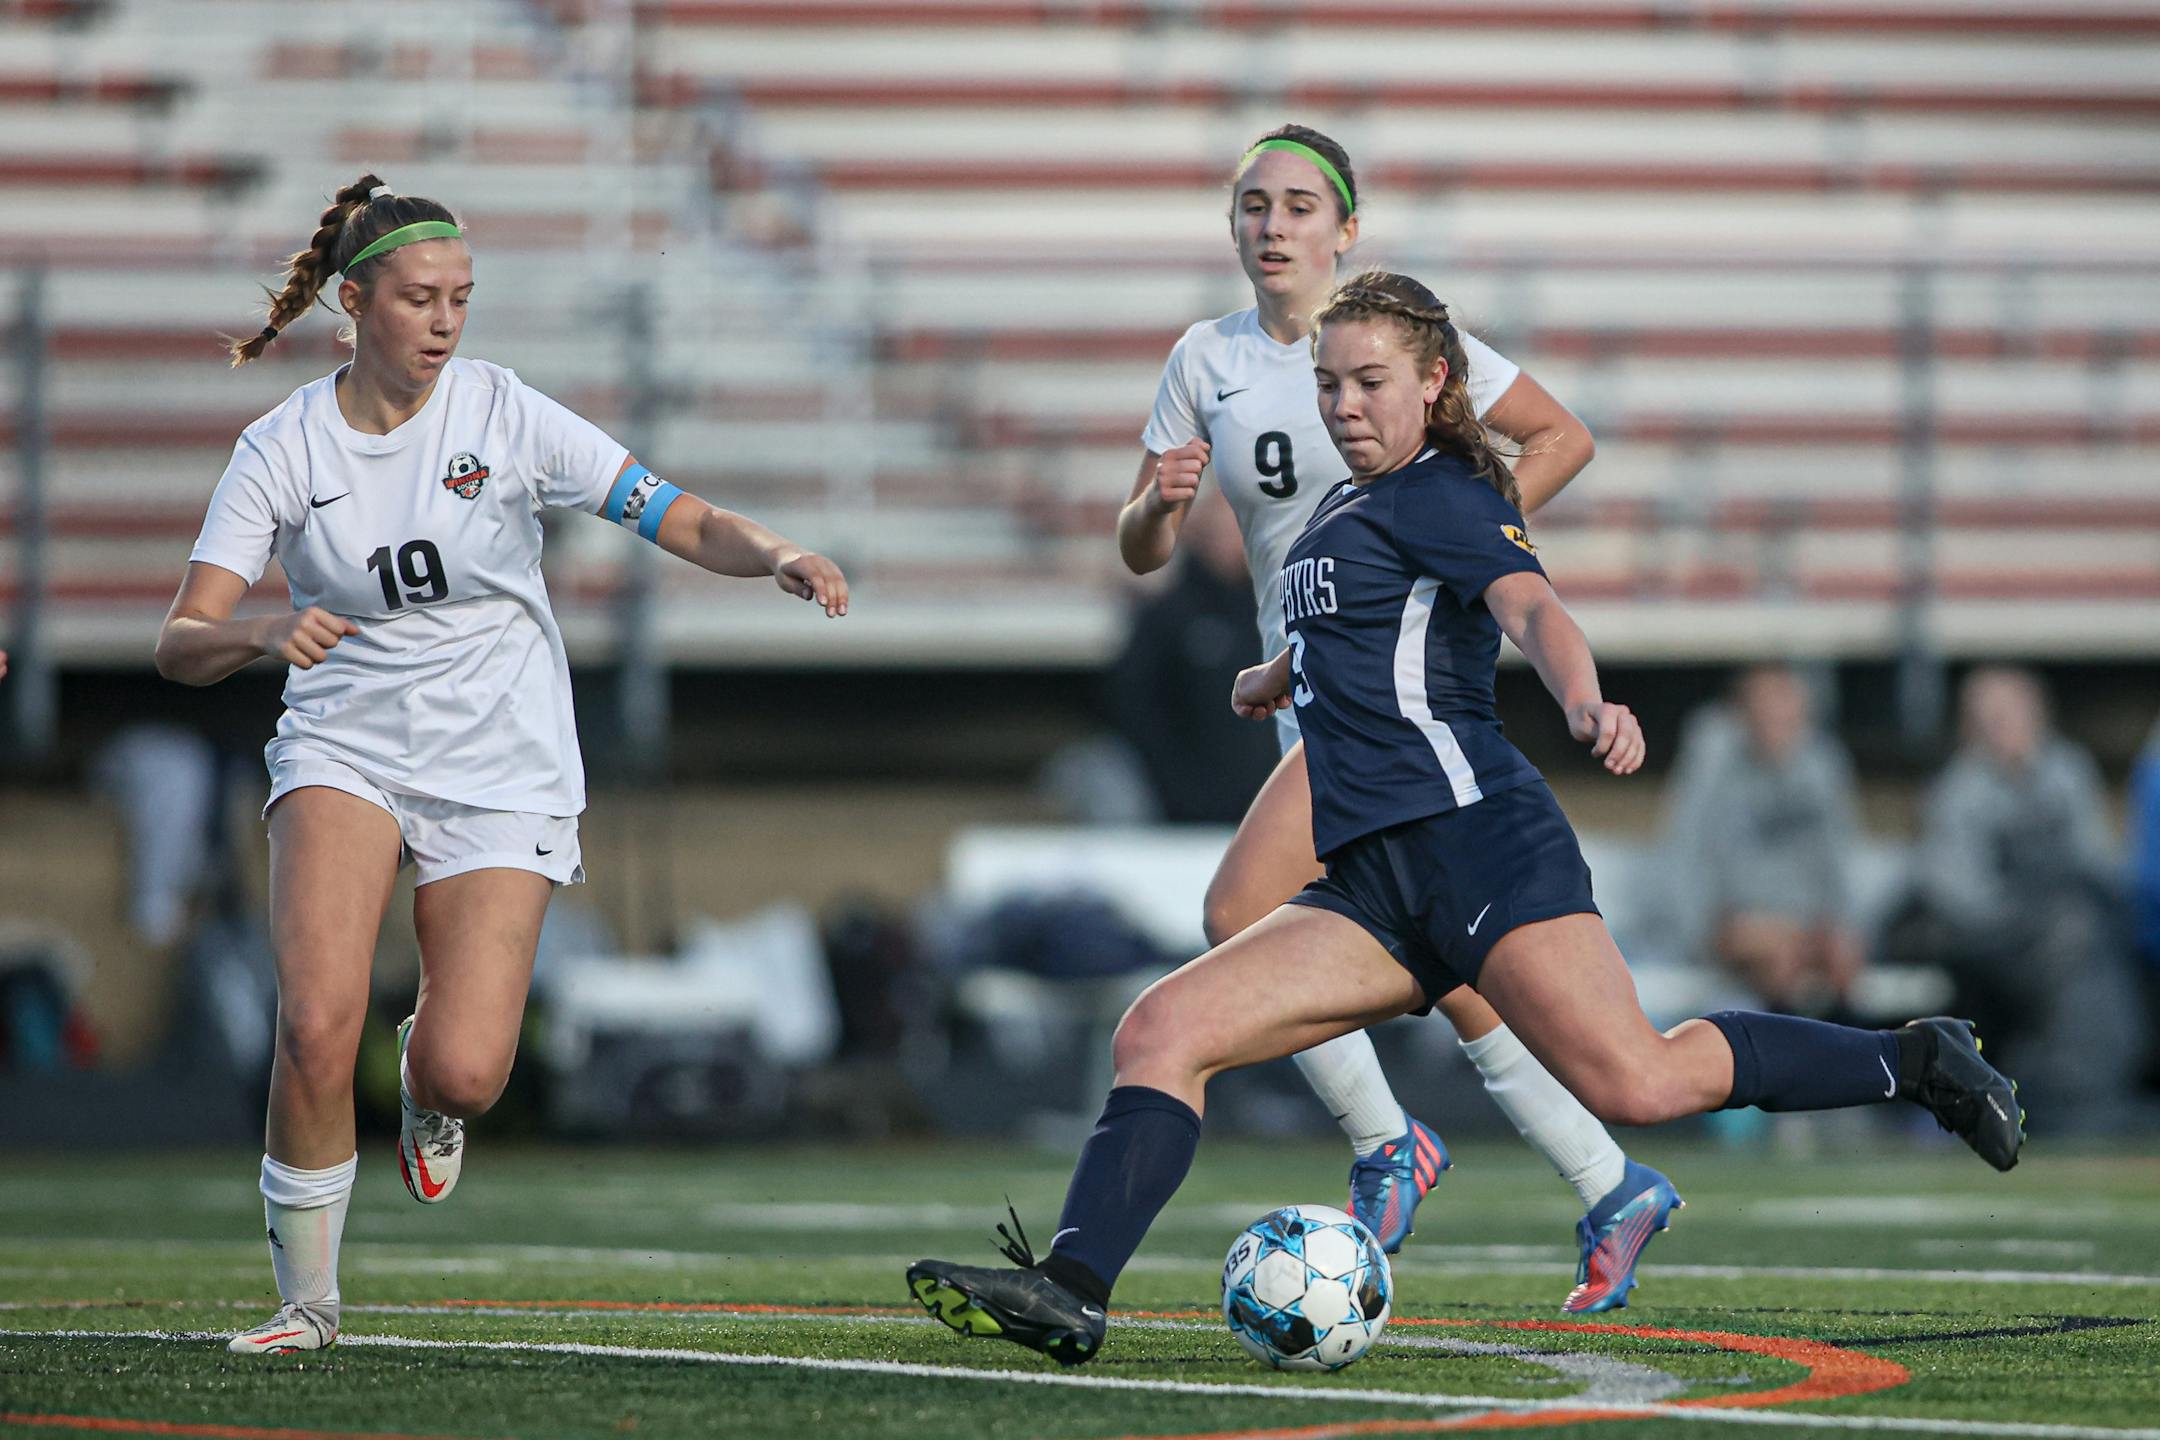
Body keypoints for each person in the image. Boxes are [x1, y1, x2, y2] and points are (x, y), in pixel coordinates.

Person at [906, 272, 2022, 1367]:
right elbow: (1371, 622)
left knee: (1642, 1081)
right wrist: (1278, 674)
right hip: (1372, 881)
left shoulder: (1444, 488)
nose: (1344, 405)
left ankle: (1916, 1058)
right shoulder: (1350, 503)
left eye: (1370, 383)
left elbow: (1529, 604)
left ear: (1438, 383)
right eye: (1330, 384)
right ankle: (1073, 1289)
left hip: (1476, 840)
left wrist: (1584, 695)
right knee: (1159, 1033)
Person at [154, 174, 848, 1355]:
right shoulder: (280, 447)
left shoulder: (504, 412)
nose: (443, 322)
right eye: (420, 299)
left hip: (502, 754)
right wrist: (262, 633)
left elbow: (669, 512)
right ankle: (308, 1305)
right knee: (316, 1024)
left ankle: (431, 1093)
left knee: (471, 1071)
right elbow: (179, 641)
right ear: (352, 304)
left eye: (462, 300)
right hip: (343, 741)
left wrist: (772, 551)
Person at [1115, 123, 1670, 1310]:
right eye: (1254, 205)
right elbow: (1143, 550)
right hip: (1297, 691)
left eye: (1301, 206)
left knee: (1237, 911)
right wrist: (1155, 510)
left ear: (1345, 229)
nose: (1274, 226)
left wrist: (1464, 537)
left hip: (1385, 705)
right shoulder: (1205, 360)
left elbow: (1560, 434)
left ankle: (1390, 1146)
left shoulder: (1404, 340)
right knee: (1462, 973)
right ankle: (1608, 1178)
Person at [1901, 668, 2137, 1113]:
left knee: (2093, 935)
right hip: (1987, 945)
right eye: (1988, 717)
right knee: (2072, 938)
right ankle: (2070, 1095)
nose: (2001, 728)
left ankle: (2091, 1081)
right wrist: (2033, 923)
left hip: (2070, 934)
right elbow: (1960, 900)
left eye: (2010, 715)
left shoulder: (2068, 772)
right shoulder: (1959, 789)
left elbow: (2097, 864)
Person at [1660, 663, 1866, 1014]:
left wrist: (1842, 924)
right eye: (1765, 716)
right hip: (1736, 920)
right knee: (1780, 956)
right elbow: (1687, 858)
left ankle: (1851, 1056)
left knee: (1842, 958)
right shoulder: (1715, 773)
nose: (1777, 728)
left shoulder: (1822, 770)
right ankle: (1781, 1059)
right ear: (1743, 718)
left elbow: (1839, 857)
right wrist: (1704, 933)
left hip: (1805, 920)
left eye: (1788, 719)